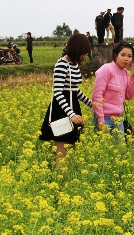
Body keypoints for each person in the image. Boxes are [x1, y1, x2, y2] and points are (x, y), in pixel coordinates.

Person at [39, 33, 93, 167]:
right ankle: (60, 180)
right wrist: (71, 114)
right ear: (77, 50)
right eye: (84, 53)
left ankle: (66, 177)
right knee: (62, 149)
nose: (85, 56)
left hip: (72, 106)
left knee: (71, 147)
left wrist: (91, 104)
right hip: (61, 109)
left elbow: (74, 89)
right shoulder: (61, 64)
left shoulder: (74, 64)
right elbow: (57, 92)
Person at [91, 42, 134, 139]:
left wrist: (133, 77)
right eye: (123, 55)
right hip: (104, 117)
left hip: (118, 118)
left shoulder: (125, 73)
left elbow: (129, 96)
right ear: (116, 55)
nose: (126, 59)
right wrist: (100, 120)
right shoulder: (106, 69)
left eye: (129, 56)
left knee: (120, 151)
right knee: (104, 151)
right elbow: (97, 96)